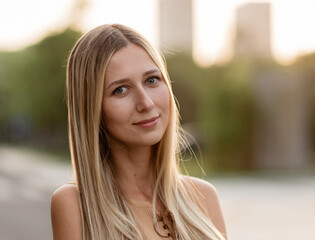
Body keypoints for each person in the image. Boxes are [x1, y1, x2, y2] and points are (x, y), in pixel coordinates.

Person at [51, 23, 227, 240]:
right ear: (92, 109)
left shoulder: (203, 196)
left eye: (152, 80)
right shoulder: (74, 205)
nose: (146, 102)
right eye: (120, 90)